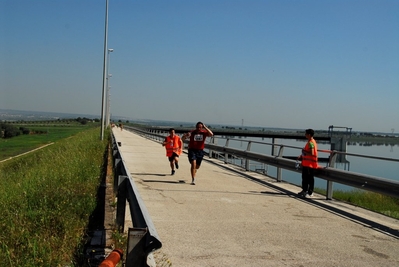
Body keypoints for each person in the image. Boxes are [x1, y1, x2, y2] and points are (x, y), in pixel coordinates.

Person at [297, 128, 319, 198]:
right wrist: (302, 156)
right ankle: (304, 190)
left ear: (309, 135)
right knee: (305, 178)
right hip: (306, 164)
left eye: (306, 134)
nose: (305, 135)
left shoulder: (311, 143)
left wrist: (304, 151)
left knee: (309, 179)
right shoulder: (309, 142)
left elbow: (311, 153)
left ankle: (310, 192)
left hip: (310, 165)